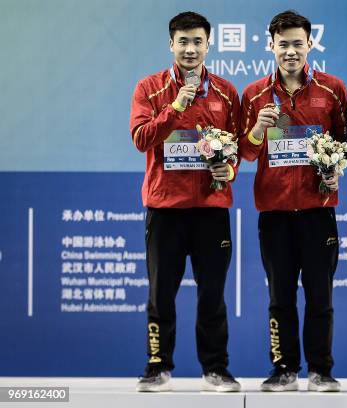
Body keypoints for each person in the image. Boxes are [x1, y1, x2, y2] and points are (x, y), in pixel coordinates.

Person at [129, 11, 241, 392]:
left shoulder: (227, 92)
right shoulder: (150, 88)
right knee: (161, 292)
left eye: (197, 41)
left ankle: (216, 368)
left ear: (209, 44)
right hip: (165, 210)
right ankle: (157, 365)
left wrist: (230, 171)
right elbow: (141, 138)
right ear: (171, 44)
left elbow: (236, 148)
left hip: (212, 210)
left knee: (213, 293)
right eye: (183, 41)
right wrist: (175, 108)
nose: (190, 49)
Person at [239, 10, 347, 392]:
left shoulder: (333, 89)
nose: (290, 51)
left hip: (319, 212)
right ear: (271, 46)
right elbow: (246, 153)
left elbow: (343, 146)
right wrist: (257, 129)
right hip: (274, 213)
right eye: (282, 44)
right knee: (279, 296)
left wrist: (337, 171)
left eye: (297, 44)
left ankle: (321, 370)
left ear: (310, 45)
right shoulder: (253, 94)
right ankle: (284, 368)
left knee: (321, 295)